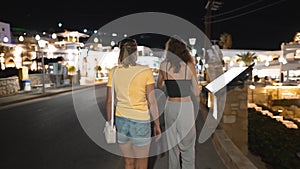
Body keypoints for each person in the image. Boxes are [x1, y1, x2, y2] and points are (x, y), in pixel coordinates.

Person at [106, 38, 161, 169]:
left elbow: (109, 101)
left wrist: (109, 123)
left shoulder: (113, 72)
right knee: (141, 164)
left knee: (128, 163)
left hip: (121, 121)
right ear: (135, 53)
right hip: (140, 121)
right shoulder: (145, 71)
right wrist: (157, 124)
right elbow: (152, 101)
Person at [157, 36, 200, 169]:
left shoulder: (164, 65)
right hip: (185, 106)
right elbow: (197, 92)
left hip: (170, 106)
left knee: (172, 145)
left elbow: (158, 86)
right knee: (187, 146)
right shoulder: (189, 65)